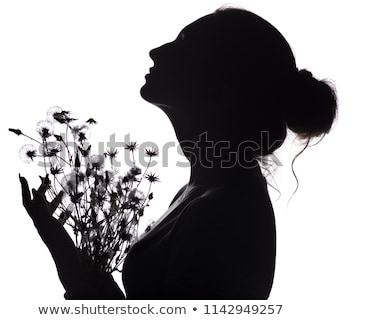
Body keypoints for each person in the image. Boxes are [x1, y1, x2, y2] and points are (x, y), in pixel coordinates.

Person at [20, 7, 337, 299]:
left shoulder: (221, 212)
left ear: (219, 90)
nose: (156, 51)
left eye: (183, 45)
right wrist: (60, 245)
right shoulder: (199, 193)